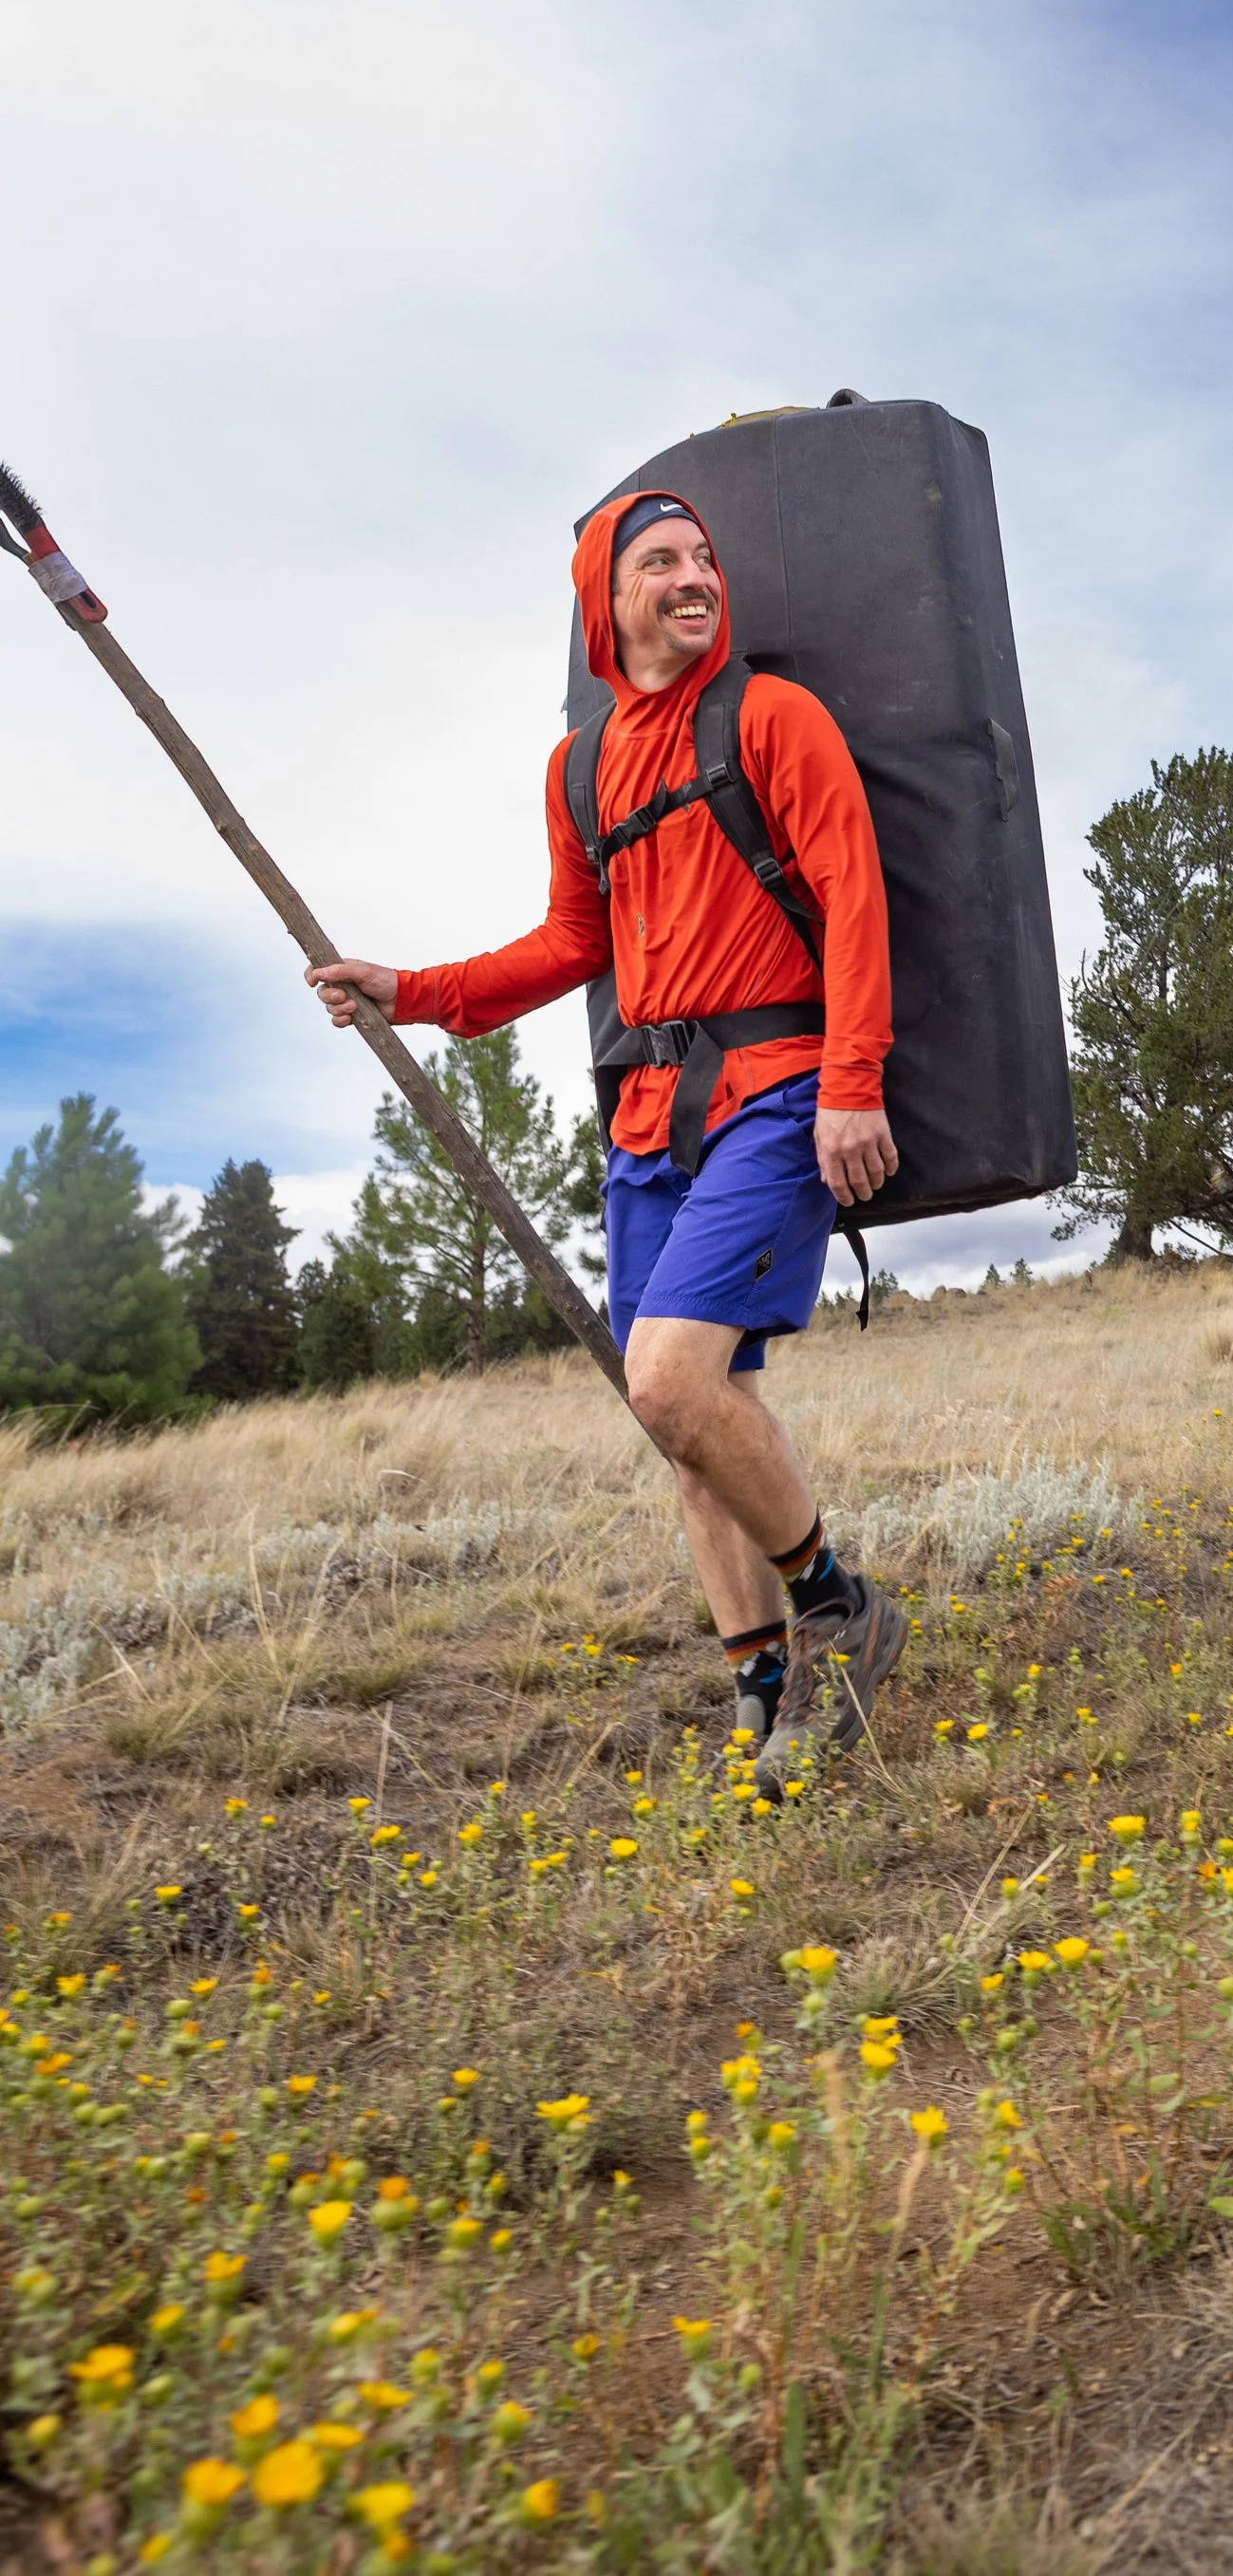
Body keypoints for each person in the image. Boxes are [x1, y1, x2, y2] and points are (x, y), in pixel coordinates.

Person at [308, 490, 907, 1774]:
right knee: (686, 1415)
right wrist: (411, 992)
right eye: (661, 561)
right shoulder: (578, 769)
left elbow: (855, 895)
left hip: (780, 1088)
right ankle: (761, 1689)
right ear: (607, 599)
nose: (695, 578)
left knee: (672, 1376)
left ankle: (836, 1608)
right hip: (649, 1115)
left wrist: (854, 1078)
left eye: (706, 558)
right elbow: (571, 945)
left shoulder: (772, 717)